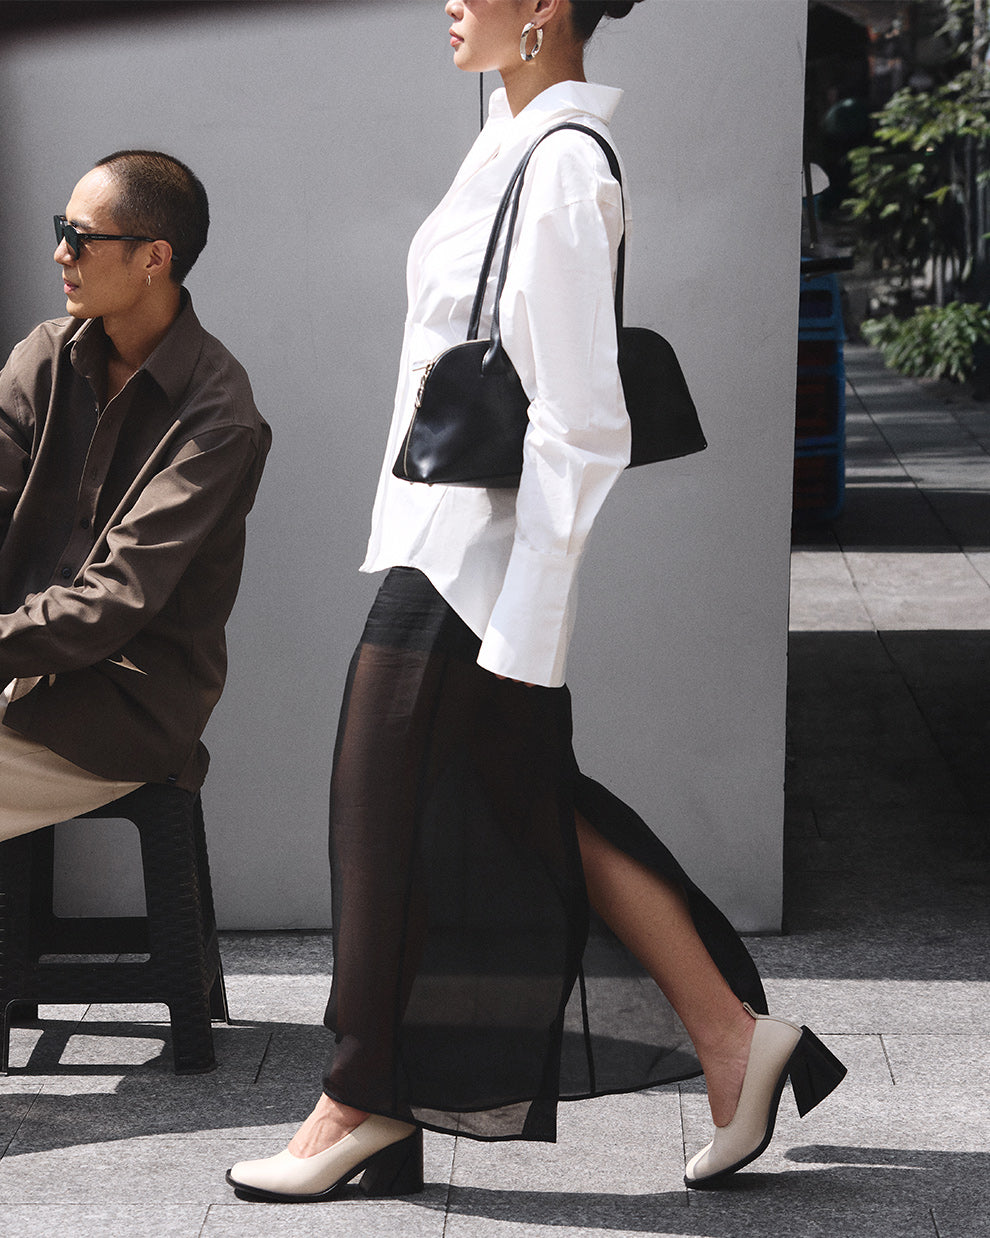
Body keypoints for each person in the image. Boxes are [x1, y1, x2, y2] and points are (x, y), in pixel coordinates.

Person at [228, 0, 845, 1202]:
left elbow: (582, 421)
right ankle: (733, 1036)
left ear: (548, 8)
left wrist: (530, 627)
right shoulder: (512, 140)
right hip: (449, 542)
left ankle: (359, 1098)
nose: (451, 1)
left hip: (481, 567)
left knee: (378, 817)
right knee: (529, 802)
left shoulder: (561, 165)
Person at [0, 151, 270, 837]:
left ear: (154, 258)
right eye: (61, 228)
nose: (61, 253)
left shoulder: (218, 419)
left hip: (118, 712)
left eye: (82, 237)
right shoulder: (45, 358)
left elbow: (113, 602)